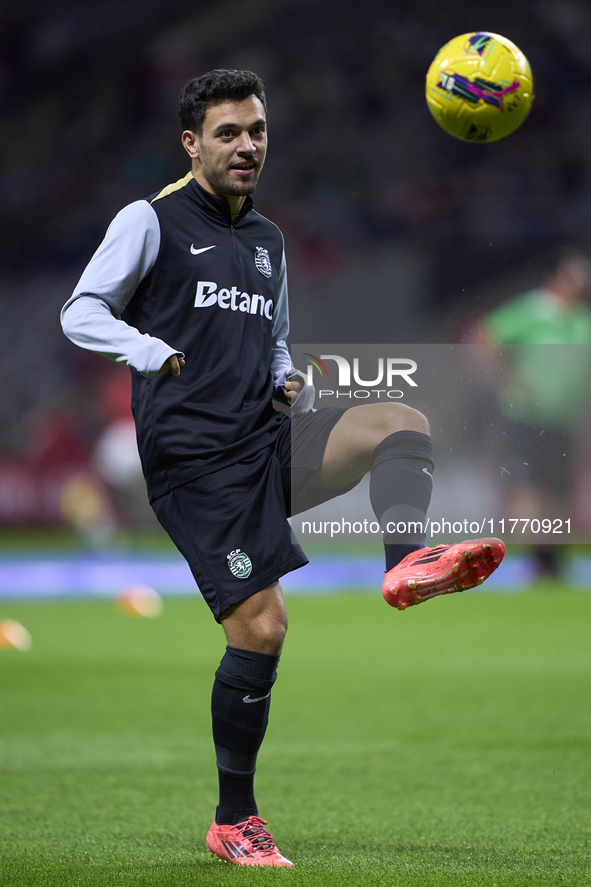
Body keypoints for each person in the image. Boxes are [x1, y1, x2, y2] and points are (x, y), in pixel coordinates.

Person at [60, 69, 504, 867]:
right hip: (195, 461)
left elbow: (272, 343)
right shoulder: (150, 219)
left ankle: (405, 562)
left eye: (256, 131)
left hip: (262, 436)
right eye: (227, 133)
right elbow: (81, 309)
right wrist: (149, 349)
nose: (246, 146)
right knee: (262, 627)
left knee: (398, 420)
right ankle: (234, 819)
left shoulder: (267, 242)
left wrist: (286, 381)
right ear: (192, 143)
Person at [476, 247, 591, 578]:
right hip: (527, 417)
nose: (582, 283)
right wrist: (508, 382)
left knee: (561, 490)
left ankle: (553, 558)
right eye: (575, 274)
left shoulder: (580, 319)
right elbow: (483, 339)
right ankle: (529, 559)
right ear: (556, 277)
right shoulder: (531, 311)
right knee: (528, 487)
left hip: (565, 420)